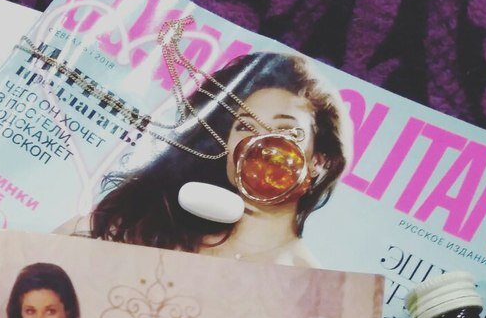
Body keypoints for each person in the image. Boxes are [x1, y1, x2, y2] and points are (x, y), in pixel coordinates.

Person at [64, 51, 349, 267]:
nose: (260, 144)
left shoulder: (307, 278)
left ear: (319, 161)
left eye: (286, 130)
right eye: (245, 127)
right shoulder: (149, 224)